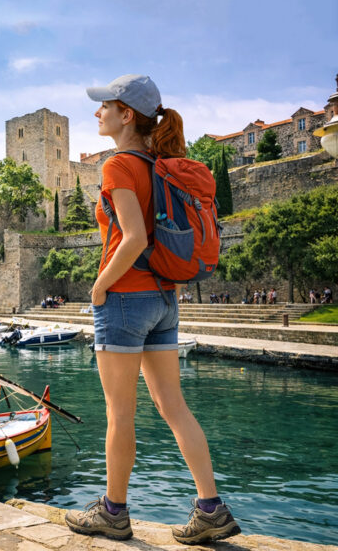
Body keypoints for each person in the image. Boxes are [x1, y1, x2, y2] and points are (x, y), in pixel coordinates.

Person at [63, 75, 240, 544]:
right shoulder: (161, 165)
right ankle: (211, 509)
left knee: (120, 413)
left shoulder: (119, 165)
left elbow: (134, 238)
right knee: (173, 406)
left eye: (105, 105)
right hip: (164, 297)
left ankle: (113, 512)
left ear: (127, 115)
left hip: (124, 298)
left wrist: (99, 287)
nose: (97, 112)